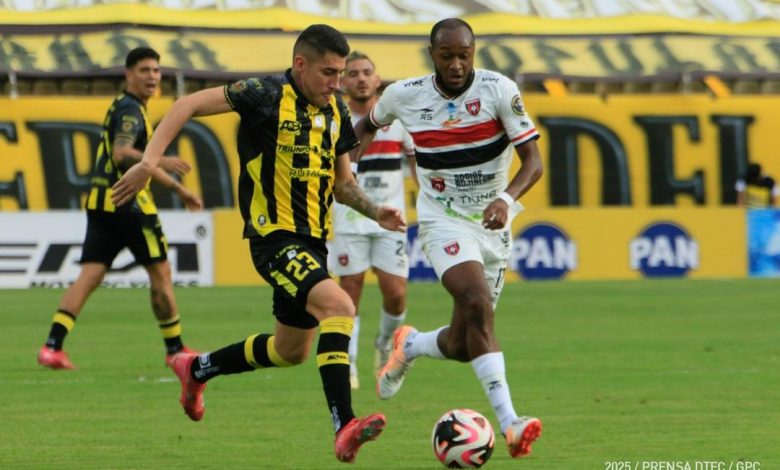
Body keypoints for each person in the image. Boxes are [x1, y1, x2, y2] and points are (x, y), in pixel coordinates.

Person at [110, 25, 406, 463]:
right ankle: (344, 424)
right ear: (301, 64)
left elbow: (343, 184)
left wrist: (375, 211)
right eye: (328, 72)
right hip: (273, 238)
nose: (336, 82)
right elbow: (187, 105)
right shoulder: (264, 94)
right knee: (340, 306)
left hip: (313, 242)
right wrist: (149, 163)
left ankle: (196, 368)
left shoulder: (336, 111)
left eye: (340, 73)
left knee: (290, 351)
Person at [352, 18, 544, 459]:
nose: (456, 64)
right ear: (432, 54)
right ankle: (511, 424)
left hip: (493, 223)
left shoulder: (499, 90)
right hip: (443, 219)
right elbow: (365, 127)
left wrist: (506, 199)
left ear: (473, 52)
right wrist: (349, 170)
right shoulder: (405, 95)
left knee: (463, 344)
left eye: (464, 55)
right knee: (476, 302)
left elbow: (533, 161)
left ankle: (411, 345)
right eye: (447, 56)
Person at [37, 47, 203, 371]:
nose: (152, 77)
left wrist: (172, 180)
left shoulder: (123, 106)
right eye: (144, 70)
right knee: (161, 273)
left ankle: (52, 346)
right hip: (131, 205)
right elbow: (123, 152)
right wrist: (170, 173)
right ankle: (175, 350)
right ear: (128, 75)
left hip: (102, 202)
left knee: (91, 273)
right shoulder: (131, 110)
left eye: (156, 70)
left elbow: (134, 159)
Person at [330, 51, 416, 389]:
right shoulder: (336, 119)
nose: (361, 78)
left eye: (367, 72)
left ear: (377, 79)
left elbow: (416, 164)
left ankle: (383, 344)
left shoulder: (397, 118)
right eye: (353, 73)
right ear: (342, 83)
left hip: (391, 217)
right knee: (349, 290)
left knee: (395, 294)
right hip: (350, 217)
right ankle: (349, 361)